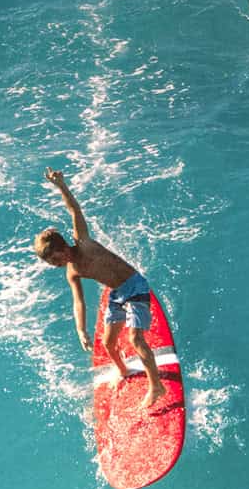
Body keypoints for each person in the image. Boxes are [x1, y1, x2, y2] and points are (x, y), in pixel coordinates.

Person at [35, 169, 172, 408]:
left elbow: (74, 209)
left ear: (63, 247)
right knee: (108, 343)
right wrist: (80, 330)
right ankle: (123, 370)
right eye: (51, 263)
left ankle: (157, 386)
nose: (55, 265)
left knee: (135, 339)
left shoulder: (84, 243)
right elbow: (78, 302)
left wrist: (61, 186)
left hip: (134, 285)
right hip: (117, 294)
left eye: (54, 259)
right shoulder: (72, 272)